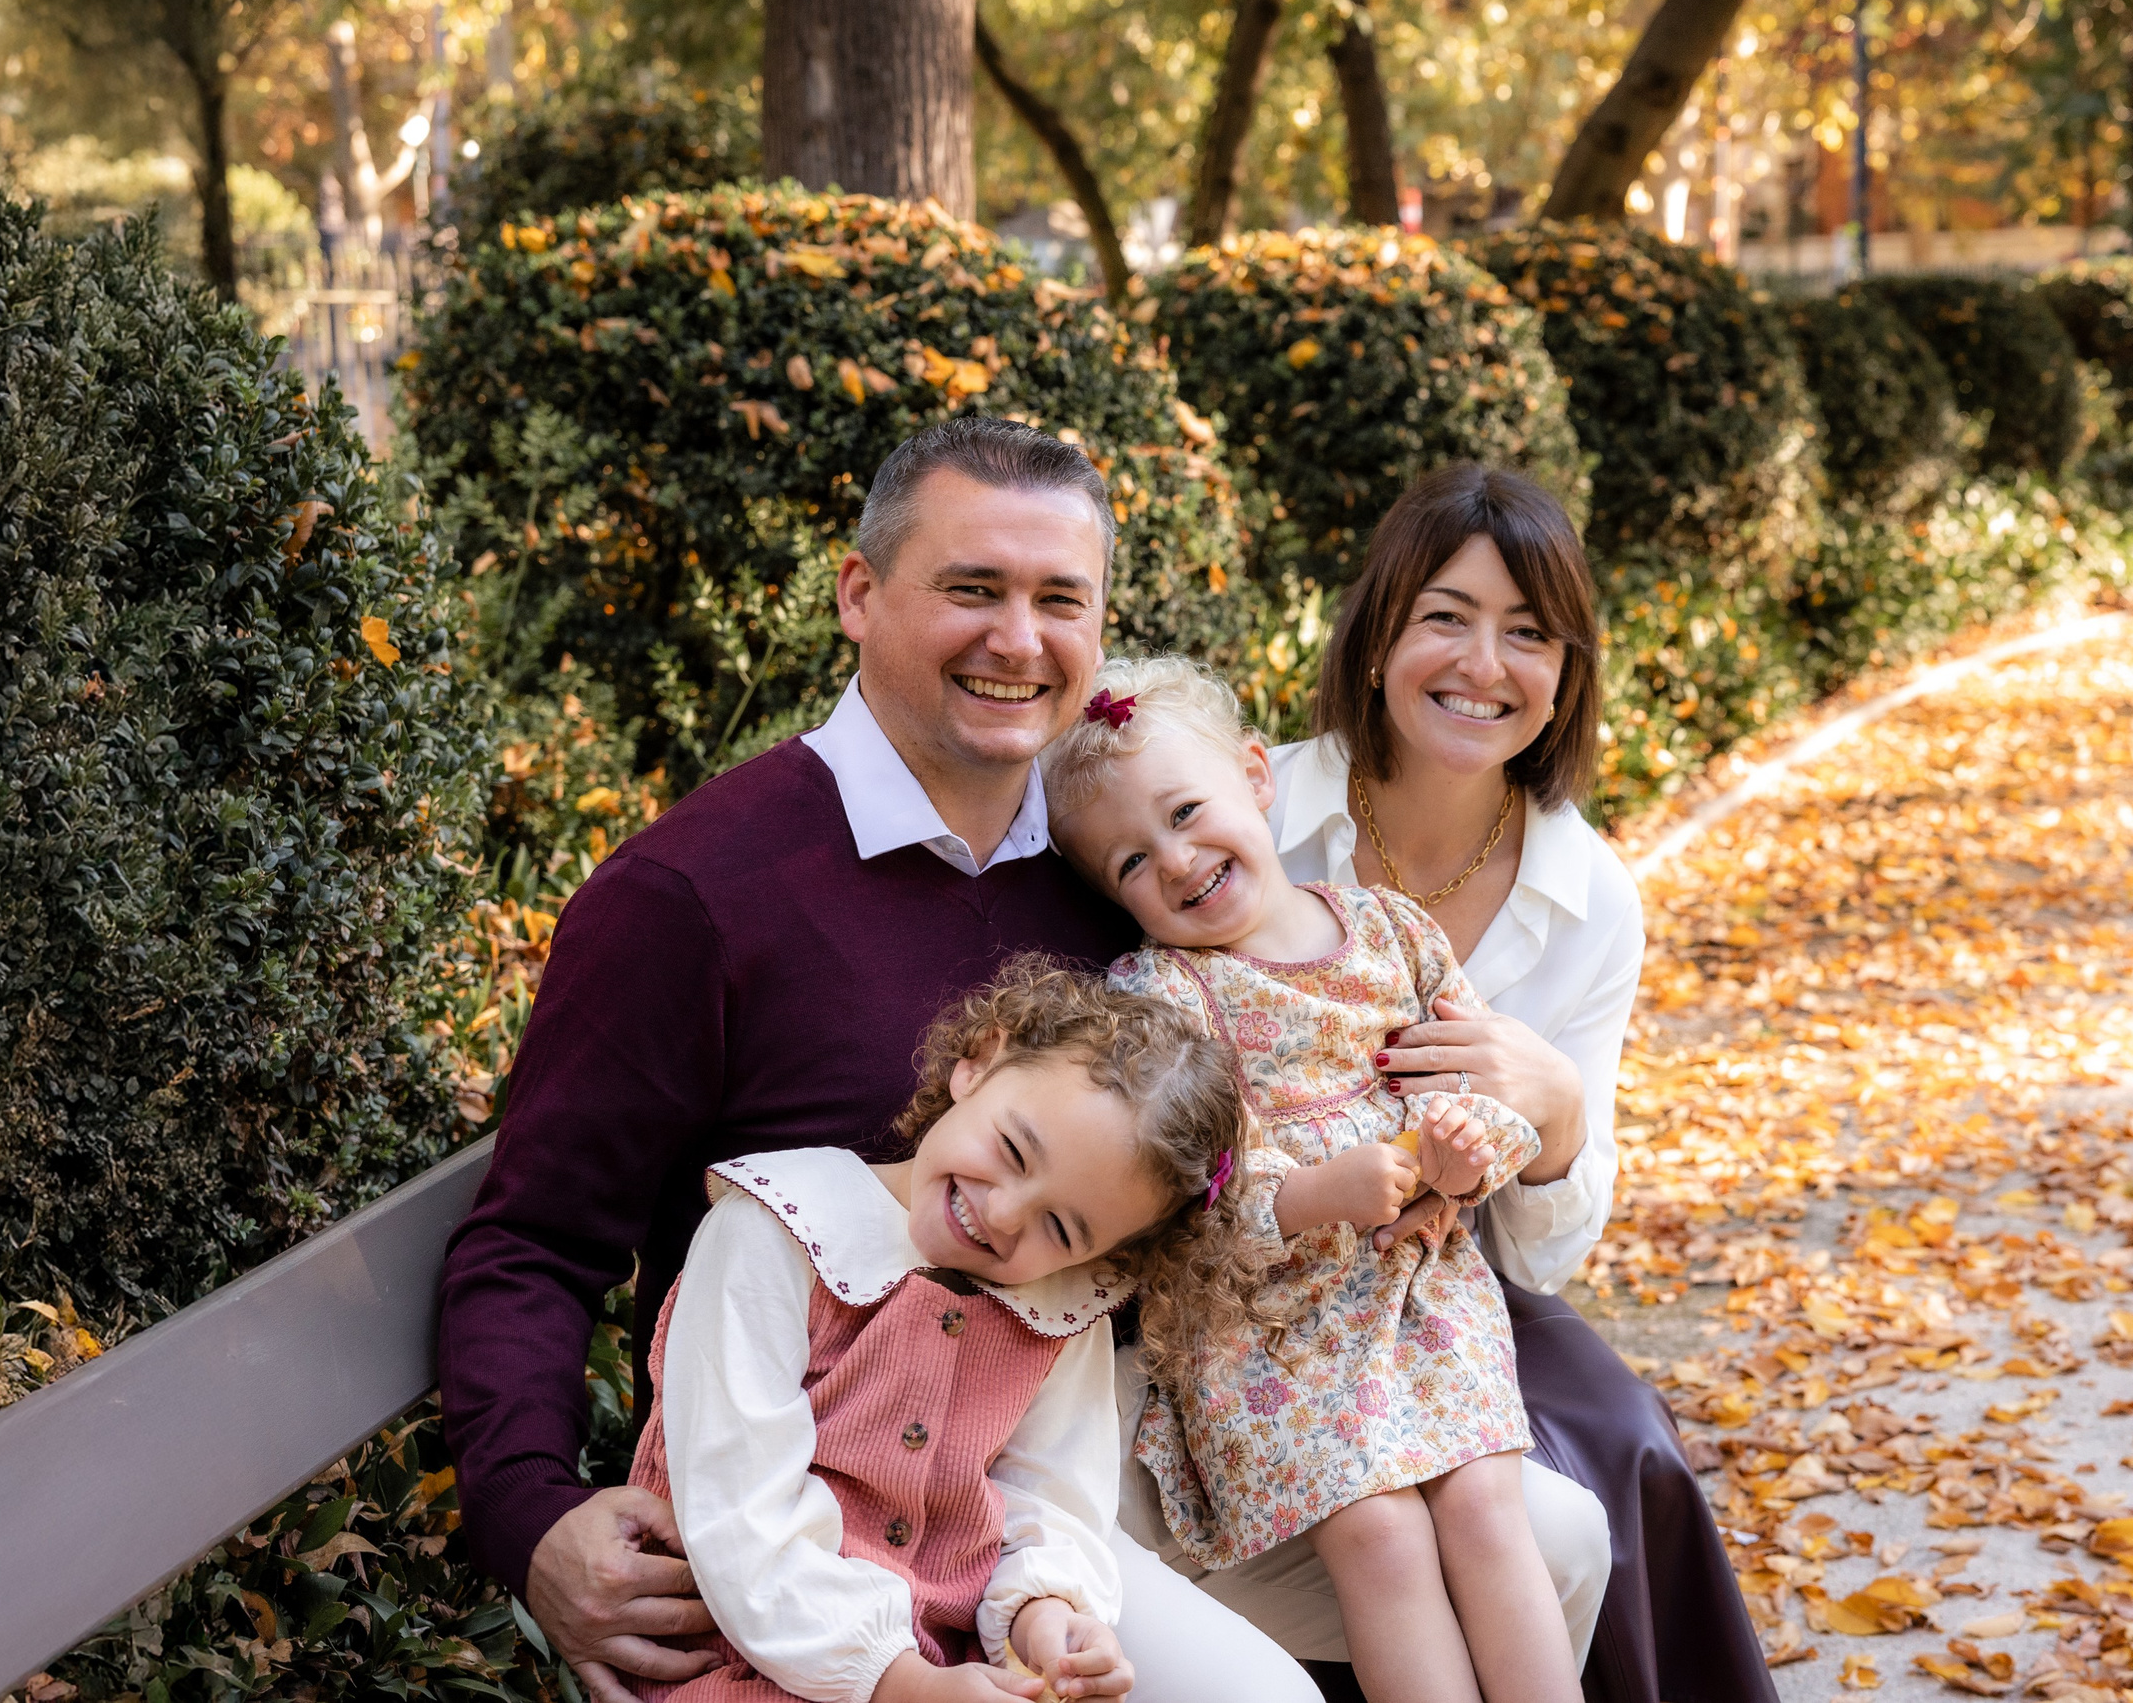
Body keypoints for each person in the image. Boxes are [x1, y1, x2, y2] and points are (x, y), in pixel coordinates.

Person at [436, 417, 1612, 1703]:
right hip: (841, 1476)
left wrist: (1538, 1112)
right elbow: (531, 1244)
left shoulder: (1122, 879)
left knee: (1554, 1534)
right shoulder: (694, 895)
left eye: (1061, 600)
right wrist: (534, 1516)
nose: (1018, 639)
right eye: (971, 589)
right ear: (858, 594)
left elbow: (1312, 1042)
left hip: (1097, 1453)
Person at [1255, 463, 1777, 1703]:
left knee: (1627, 1450)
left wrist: (1553, 1115)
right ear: (1379, 630)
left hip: (1449, 1285)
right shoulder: (1252, 814)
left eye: (1527, 633)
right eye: (1445, 616)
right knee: (1381, 1513)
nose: (1482, 664)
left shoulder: (1587, 896)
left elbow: (1545, 1255)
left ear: (1567, 670)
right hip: (1255, 1269)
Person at [1043, 656, 1583, 1703]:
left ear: (1256, 775)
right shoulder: (1161, 996)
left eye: (1188, 810)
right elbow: (1168, 1198)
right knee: (1378, 1533)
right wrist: (1312, 1192)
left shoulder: (1393, 933)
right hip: (1266, 1343)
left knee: (1483, 1505)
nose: (1178, 859)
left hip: (1419, 1301)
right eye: (1130, 862)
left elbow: (1488, 1085)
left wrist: (1469, 1155)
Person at [623, 960, 1266, 1703]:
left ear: (1109, 1255)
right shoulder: (775, 1232)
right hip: (739, 1652)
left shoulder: (1060, 1310)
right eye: (1014, 1150)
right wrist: (904, 1684)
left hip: (946, 1672)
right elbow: (742, 1518)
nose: (1003, 1213)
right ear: (979, 1061)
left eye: (1060, 1226)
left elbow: (1049, 1500)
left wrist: (1048, 1619)